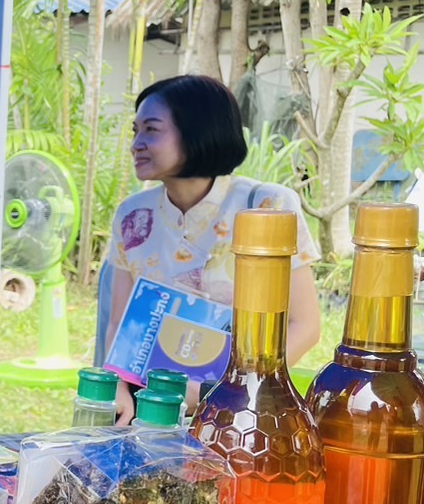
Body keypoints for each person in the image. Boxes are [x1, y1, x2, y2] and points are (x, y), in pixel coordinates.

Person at [106, 74, 321, 423]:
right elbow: (119, 323)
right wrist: (118, 388)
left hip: (237, 414)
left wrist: (226, 393)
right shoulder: (132, 216)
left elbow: (305, 325)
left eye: (151, 130)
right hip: (145, 409)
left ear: (198, 130)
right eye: (135, 131)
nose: (136, 144)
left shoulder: (268, 205)